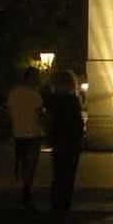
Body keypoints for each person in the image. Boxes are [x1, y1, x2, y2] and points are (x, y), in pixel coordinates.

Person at [45, 69, 85, 213]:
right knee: (69, 173)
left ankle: (56, 201)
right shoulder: (73, 100)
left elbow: (49, 120)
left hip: (58, 139)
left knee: (58, 172)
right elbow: (78, 123)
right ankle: (65, 202)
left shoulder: (52, 100)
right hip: (72, 140)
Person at [6, 67, 46, 210]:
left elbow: (9, 113)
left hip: (19, 133)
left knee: (23, 162)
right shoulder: (34, 95)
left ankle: (25, 187)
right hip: (33, 133)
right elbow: (40, 114)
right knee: (31, 164)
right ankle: (27, 191)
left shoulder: (13, 93)